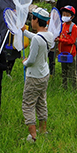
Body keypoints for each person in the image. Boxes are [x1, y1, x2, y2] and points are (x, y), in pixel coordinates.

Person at [21, 8, 55, 143]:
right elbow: (36, 37)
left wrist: (25, 62)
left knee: (28, 104)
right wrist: (24, 31)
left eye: (32, 18)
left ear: (36, 20)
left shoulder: (37, 40)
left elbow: (31, 60)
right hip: (44, 74)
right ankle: (43, 130)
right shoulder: (49, 35)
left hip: (34, 76)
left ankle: (33, 136)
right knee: (41, 101)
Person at [56, 6, 77, 90]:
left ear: (72, 16)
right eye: (63, 14)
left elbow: (72, 41)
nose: (64, 16)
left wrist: (61, 40)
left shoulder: (74, 28)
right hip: (62, 52)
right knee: (64, 71)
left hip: (70, 53)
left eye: (67, 14)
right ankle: (64, 87)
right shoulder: (62, 25)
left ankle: (74, 89)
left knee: (72, 72)